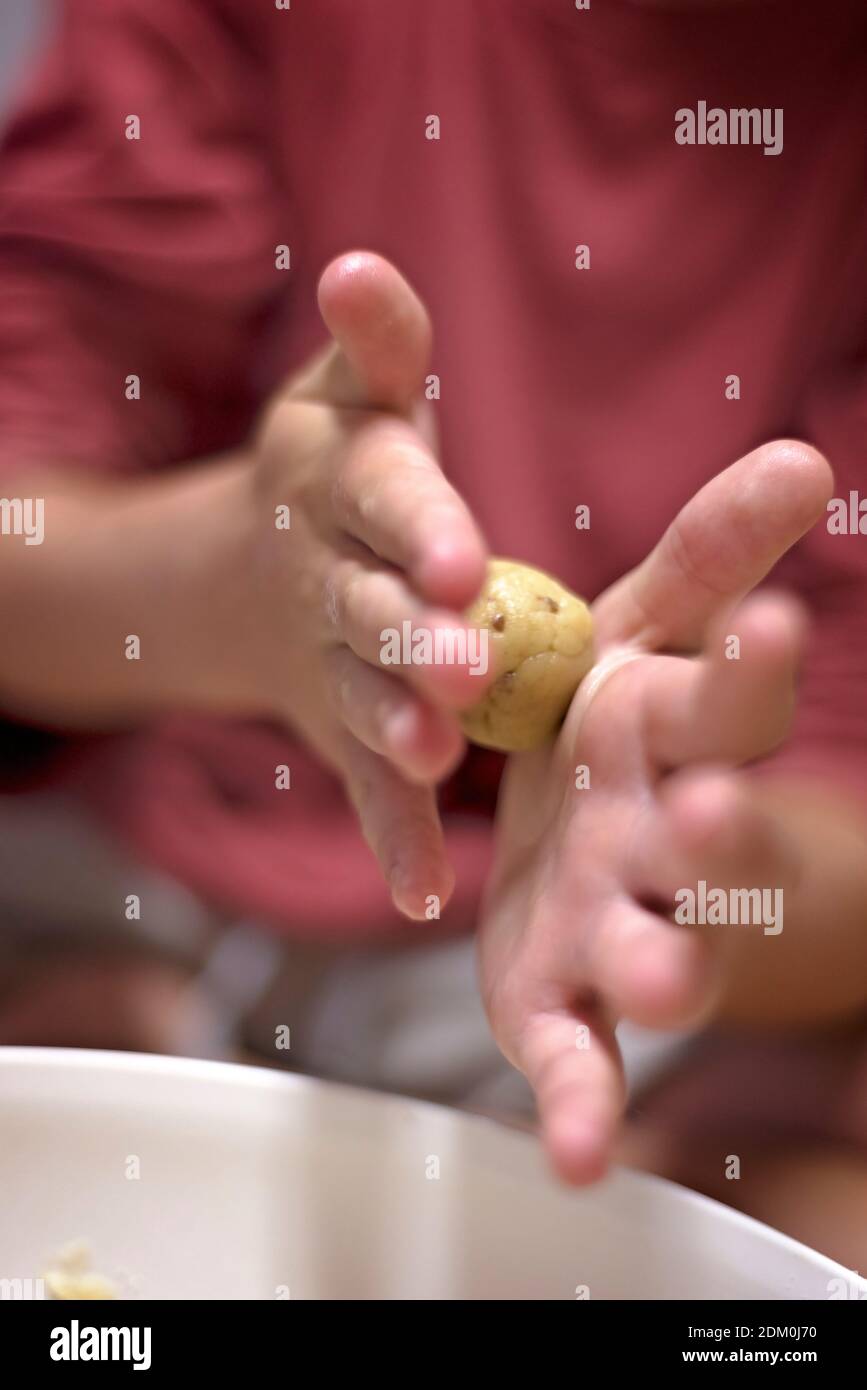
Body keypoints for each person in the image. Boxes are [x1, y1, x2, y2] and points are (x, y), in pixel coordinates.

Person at [1, 0, 866, 1267]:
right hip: (135, 908)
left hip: (611, 1039)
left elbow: (840, 814)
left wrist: (696, 884)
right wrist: (233, 586)